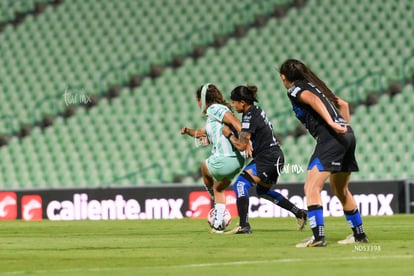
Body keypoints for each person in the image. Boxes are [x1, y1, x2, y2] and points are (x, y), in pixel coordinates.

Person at [278, 58, 369, 247]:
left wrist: (331, 123)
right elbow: (343, 104)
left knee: (311, 188)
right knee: (340, 190)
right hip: (347, 136)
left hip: (331, 139)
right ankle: (359, 235)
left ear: (284, 77)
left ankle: (318, 238)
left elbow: (312, 100)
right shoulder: (316, 86)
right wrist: (344, 128)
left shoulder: (294, 90)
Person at [222, 84, 307, 234]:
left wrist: (228, 134)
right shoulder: (255, 111)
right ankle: (299, 213)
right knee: (262, 191)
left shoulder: (249, 116)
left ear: (243, 102)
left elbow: (241, 145)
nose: (233, 105)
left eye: (234, 102)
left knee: (240, 184)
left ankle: (243, 225)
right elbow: (250, 135)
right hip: (275, 156)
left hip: (268, 157)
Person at [180, 83, 247, 233]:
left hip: (227, 156)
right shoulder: (214, 116)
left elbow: (236, 123)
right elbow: (204, 133)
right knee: (218, 188)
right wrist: (189, 131)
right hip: (235, 159)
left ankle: (217, 207)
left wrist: (246, 141)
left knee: (204, 167)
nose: (198, 104)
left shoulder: (214, 108)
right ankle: (218, 223)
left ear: (202, 99)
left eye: (198, 100)